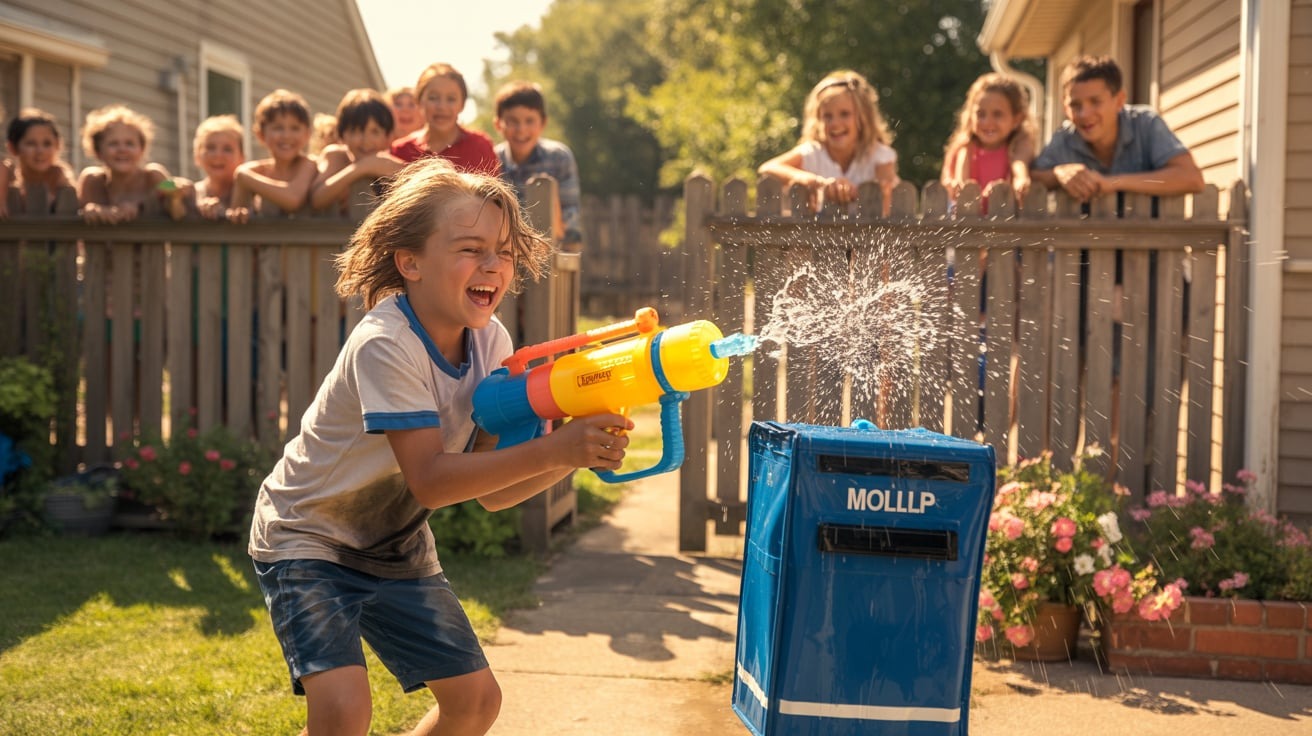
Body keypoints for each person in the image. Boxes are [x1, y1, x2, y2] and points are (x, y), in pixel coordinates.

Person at [248, 157, 632, 736]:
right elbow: (430, 479)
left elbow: (491, 491)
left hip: (395, 542)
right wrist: (556, 452)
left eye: (503, 251)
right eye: (469, 248)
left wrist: (575, 455)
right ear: (411, 262)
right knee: (343, 711)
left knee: (475, 703)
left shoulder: (491, 340)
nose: (492, 265)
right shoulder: (385, 343)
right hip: (307, 536)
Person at [1031, 55, 1204, 201]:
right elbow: (1032, 178)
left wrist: (1113, 183)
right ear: (1064, 107)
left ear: (1120, 100)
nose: (1084, 114)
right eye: (1075, 105)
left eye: (1095, 102)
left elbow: (1191, 178)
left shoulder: (1146, 123)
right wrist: (1058, 174)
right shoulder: (1063, 138)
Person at [758, 69, 898, 214]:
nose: (835, 123)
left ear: (862, 118)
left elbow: (885, 194)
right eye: (827, 116)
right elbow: (767, 169)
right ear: (818, 120)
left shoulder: (879, 155)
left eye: (845, 114)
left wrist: (851, 192)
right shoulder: (812, 153)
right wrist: (813, 182)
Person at [493, 80, 583, 249]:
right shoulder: (492, 159)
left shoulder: (558, 158)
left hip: (551, 253)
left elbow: (570, 220)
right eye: (512, 121)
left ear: (543, 123)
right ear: (498, 124)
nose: (521, 129)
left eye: (529, 121)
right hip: (504, 252)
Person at [940, 72, 1037, 209]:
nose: (987, 122)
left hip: (1007, 227)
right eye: (981, 114)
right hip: (968, 226)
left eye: (997, 114)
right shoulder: (963, 150)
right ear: (970, 115)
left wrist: (1021, 181)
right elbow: (959, 190)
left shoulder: (1019, 145)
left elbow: (1019, 165)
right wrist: (952, 187)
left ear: (1016, 119)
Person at [77, 104, 185, 223]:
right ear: (98, 151)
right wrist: (91, 209)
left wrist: (174, 194)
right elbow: (77, 214)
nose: (122, 149)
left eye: (130, 144)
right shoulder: (92, 181)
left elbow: (177, 195)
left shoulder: (154, 176)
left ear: (142, 150)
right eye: (113, 144)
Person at [390, 63, 500, 176]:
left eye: (451, 99)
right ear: (419, 101)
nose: (442, 106)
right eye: (433, 98)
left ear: (462, 104)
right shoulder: (400, 151)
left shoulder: (480, 146)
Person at [226, 89, 319, 222]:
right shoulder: (254, 171)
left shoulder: (309, 165)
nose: (287, 136)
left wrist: (245, 178)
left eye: (295, 128)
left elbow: (293, 199)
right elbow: (236, 213)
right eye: (278, 128)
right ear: (260, 134)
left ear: (307, 134)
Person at [310, 88, 404, 213]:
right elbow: (317, 200)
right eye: (357, 131)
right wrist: (360, 168)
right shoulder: (336, 156)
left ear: (388, 137)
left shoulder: (389, 165)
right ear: (341, 134)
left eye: (375, 132)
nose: (366, 140)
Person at [5, 107, 75, 215]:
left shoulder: (67, 186)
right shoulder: (7, 184)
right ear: (13, 148)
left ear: (57, 145)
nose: (40, 151)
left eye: (47, 144)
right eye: (31, 143)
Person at [189, 114, 245, 219]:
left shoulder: (250, 198)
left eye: (227, 149)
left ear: (242, 158)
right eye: (210, 147)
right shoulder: (191, 195)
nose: (218, 155)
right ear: (197, 155)